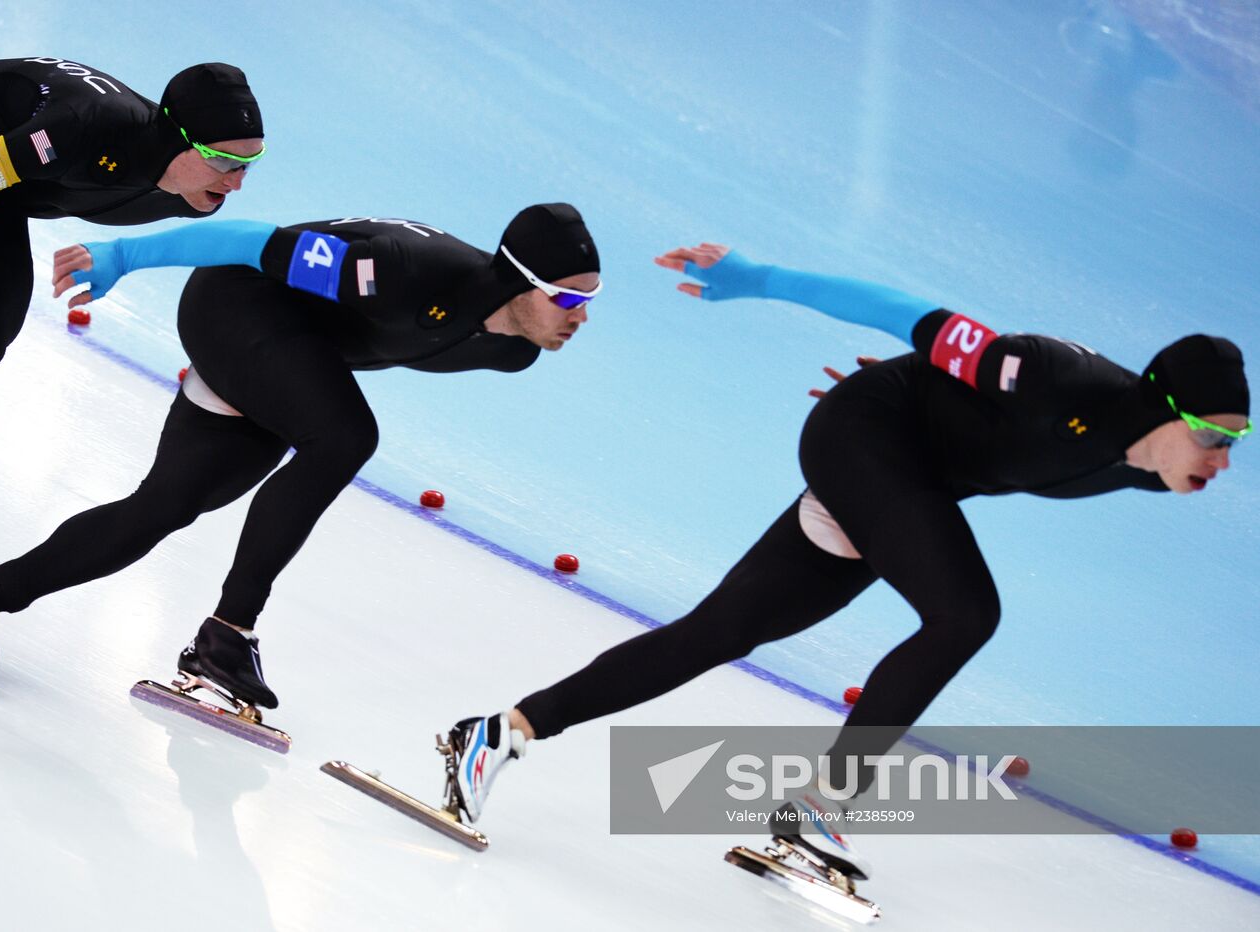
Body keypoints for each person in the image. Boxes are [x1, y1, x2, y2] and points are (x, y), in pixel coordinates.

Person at [443, 242, 1250, 885]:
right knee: (966, 615)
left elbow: (984, 436)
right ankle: (821, 807)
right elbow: (905, 314)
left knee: (719, 632)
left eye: (1238, 443)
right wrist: (751, 279)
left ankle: (498, 733)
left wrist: (927, 405)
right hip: (866, 439)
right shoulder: (1055, 377)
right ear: (1163, 409)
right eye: (1217, 437)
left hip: (905, 471)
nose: (1222, 461)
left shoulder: (1146, 471)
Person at [0, 205, 601, 713]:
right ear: (519, 281)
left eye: (590, 302)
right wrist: (122, 258)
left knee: (163, 507)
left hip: (287, 354)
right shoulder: (408, 271)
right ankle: (228, 634)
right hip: (235, 303)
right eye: (569, 297)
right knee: (347, 437)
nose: (580, 316)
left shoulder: (512, 350)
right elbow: (245, 242)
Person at [0, 57, 265, 448]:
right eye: (224, 161)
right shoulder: (81, 130)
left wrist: (123, 257)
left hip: (4, 189)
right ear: (178, 140)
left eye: (250, 163)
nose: (237, 182)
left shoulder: (199, 192)